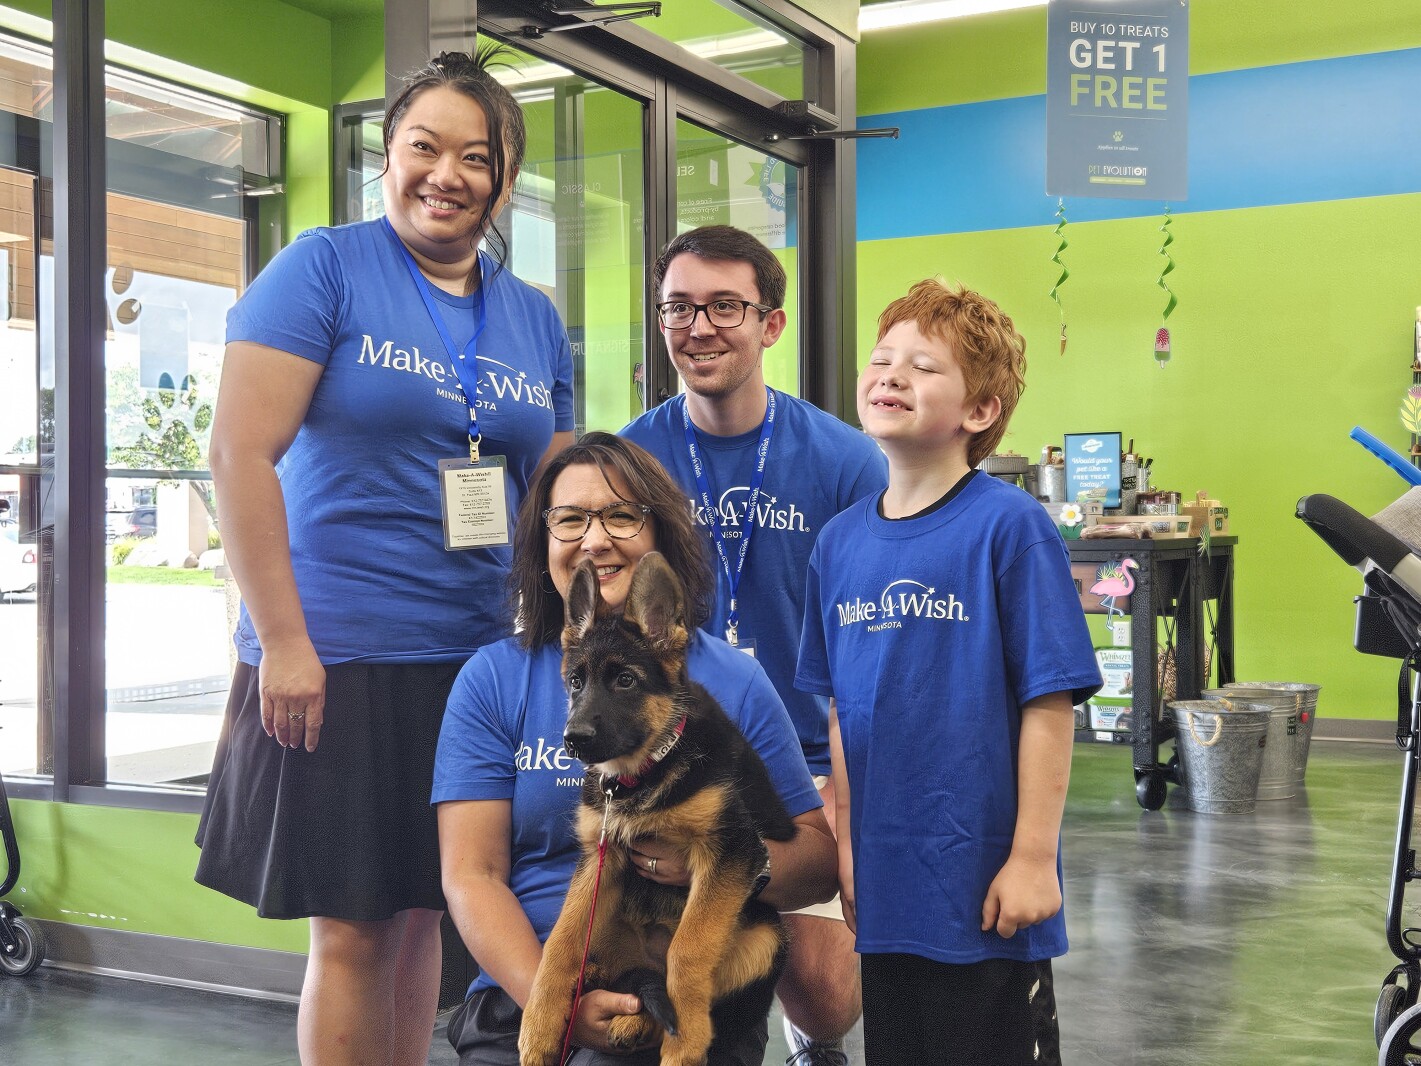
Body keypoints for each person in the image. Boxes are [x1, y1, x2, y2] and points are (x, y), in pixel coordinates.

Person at [194, 48, 574, 1066]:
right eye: (422, 147)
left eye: (475, 157)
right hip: (336, 652)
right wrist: (282, 639)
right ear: (388, 157)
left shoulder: (532, 315)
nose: (444, 174)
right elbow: (239, 452)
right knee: (355, 924)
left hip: (474, 660)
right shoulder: (323, 266)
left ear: (503, 180)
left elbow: (554, 491)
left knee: (425, 913)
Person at [433, 432, 837, 1066]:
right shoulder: (492, 679)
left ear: (660, 537)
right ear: (544, 544)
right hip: (533, 976)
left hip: (694, 984)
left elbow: (814, 858)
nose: (595, 539)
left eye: (621, 515)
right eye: (569, 520)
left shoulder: (733, 681)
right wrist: (551, 997)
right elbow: (471, 875)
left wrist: (718, 869)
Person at [795, 279, 1103, 1066]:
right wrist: (849, 853)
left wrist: (1032, 856)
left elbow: (1050, 701)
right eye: (882, 358)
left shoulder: (1010, 527)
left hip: (984, 891)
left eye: (923, 366)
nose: (892, 374)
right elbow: (839, 712)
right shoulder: (836, 545)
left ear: (979, 411)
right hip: (886, 887)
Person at [620, 225, 883, 1064]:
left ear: (769, 324)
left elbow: (868, 639)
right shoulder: (633, 458)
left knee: (827, 994)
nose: (698, 327)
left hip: (805, 754)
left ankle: (811, 1039)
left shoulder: (846, 462)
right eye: (678, 307)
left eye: (723, 306)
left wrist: (845, 781)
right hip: (677, 752)